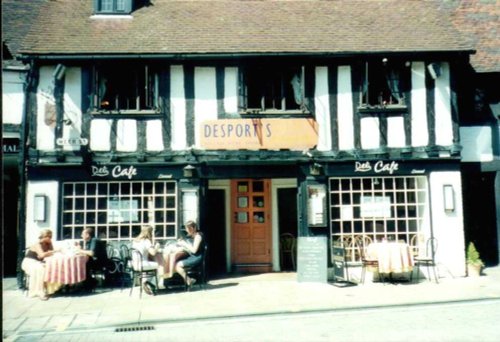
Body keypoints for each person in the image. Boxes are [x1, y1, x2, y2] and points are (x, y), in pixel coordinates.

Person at [21, 229, 61, 300]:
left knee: (52, 268)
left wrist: (48, 253)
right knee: (40, 269)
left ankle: (51, 289)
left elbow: (50, 254)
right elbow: (42, 255)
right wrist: (50, 252)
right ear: (44, 237)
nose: (50, 238)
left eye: (51, 237)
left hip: (38, 262)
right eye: (49, 237)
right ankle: (39, 292)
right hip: (29, 262)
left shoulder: (49, 243)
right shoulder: (37, 244)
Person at [131, 225, 165, 295]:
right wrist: (157, 246)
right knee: (160, 266)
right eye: (151, 232)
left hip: (135, 264)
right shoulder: (146, 241)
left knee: (152, 266)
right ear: (148, 232)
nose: (152, 234)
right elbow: (153, 253)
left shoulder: (135, 240)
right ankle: (150, 283)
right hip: (143, 264)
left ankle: (146, 282)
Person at [174, 220, 204, 287]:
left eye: (188, 229)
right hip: (192, 256)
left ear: (192, 228)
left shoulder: (198, 236)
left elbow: (194, 250)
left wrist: (184, 244)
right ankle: (188, 280)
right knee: (175, 262)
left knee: (177, 265)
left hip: (197, 257)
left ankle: (188, 280)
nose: (187, 231)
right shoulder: (192, 235)